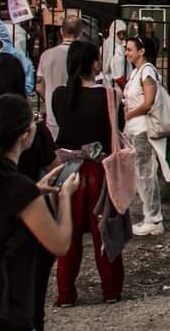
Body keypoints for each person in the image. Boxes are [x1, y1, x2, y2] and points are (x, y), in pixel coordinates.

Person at [0, 94, 79, 331]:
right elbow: (59, 244)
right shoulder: (18, 188)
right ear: (25, 136)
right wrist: (64, 198)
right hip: (5, 307)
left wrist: (36, 192)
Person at [50, 41, 125, 306]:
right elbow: (117, 128)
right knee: (104, 232)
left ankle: (66, 293)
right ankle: (111, 289)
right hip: (98, 170)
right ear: (94, 64)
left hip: (67, 171)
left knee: (68, 236)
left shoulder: (59, 95)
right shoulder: (108, 95)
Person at [124, 35, 170, 236]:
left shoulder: (147, 71)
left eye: (130, 49)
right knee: (140, 173)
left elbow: (148, 102)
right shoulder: (136, 72)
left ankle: (153, 218)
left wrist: (128, 114)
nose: (127, 53)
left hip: (143, 127)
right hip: (134, 128)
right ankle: (149, 214)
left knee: (146, 172)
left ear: (141, 51)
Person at [37, 14, 83, 139]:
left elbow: (39, 85)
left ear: (61, 31)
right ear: (81, 33)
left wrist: (49, 98)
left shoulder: (46, 55)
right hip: (77, 114)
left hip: (53, 114)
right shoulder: (83, 55)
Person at [100, 19, 128, 86]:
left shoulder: (121, 44)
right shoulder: (110, 44)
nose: (122, 36)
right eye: (119, 33)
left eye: (123, 33)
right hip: (111, 80)